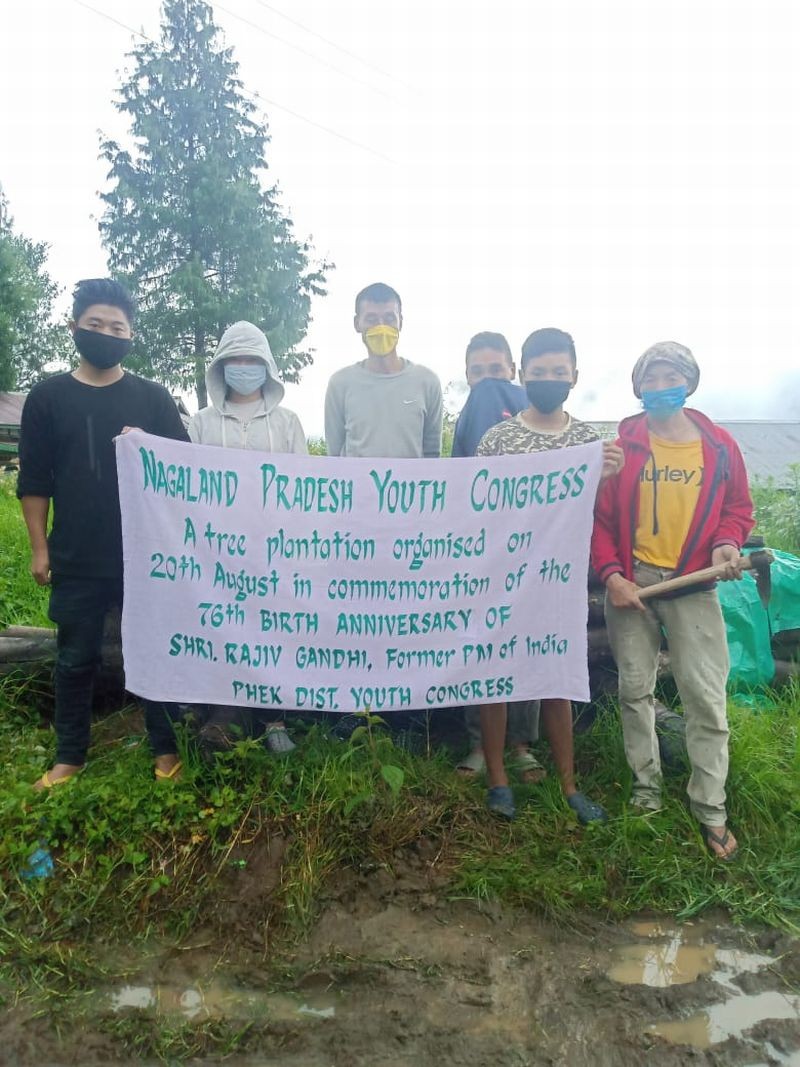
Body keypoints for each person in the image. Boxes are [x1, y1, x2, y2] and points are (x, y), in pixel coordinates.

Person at [17, 278, 190, 789]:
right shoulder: (47, 398)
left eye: (117, 327)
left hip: (147, 557)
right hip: (75, 554)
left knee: (155, 653)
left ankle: (166, 749)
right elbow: (34, 481)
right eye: (95, 324)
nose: (105, 333)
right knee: (75, 658)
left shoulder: (152, 399)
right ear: (74, 327)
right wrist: (39, 548)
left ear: (131, 336)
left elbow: (185, 469)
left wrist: (150, 446)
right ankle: (69, 755)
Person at [592, 342, 753, 860]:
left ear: (690, 381)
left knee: (706, 696)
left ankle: (711, 808)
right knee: (635, 691)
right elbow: (598, 518)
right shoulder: (624, 445)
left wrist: (727, 543)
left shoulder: (719, 446)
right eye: (651, 378)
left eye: (671, 376)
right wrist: (613, 575)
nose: (661, 385)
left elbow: (737, 509)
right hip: (634, 584)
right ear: (638, 387)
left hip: (693, 583)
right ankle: (646, 794)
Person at [475, 327, 623, 823]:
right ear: (522, 374)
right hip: (503, 573)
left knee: (556, 675)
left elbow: (600, 513)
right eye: (539, 373)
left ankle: (569, 784)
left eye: (558, 373)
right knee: (495, 674)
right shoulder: (498, 439)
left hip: (562, 579)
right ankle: (498, 778)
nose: (549, 380)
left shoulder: (588, 441)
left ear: (574, 377)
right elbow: (479, 505)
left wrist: (606, 476)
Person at [188, 320, 307, 754]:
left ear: (267, 366)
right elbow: (186, 483)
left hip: (275, 551)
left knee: (273, 630)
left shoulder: (288, 423)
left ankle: (275, 719)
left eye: (252, 359)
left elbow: (304, 488)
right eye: (235, 359)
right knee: (225, 628)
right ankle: (222, 714)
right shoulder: (200, 424)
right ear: (221, 366)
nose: (243, 367)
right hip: (219, 553)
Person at [451, 332, 543, 782]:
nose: (488, 381)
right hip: (479, 554)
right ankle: (480, 743)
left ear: (513, 371)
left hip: (532, 552)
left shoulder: (541, 419)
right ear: (466, 376)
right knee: (480, 645)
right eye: (478, 372)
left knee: (526, 644)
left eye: (496, 370)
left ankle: (522, 744)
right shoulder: (466, 421)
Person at [324, 282, 443, 458]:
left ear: (400, 322)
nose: (381, 327)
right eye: (371, 320)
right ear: (357, 324)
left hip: (409, 485)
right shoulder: (340, 384)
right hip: (358, 486)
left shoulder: (427, 382)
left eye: (389, 319)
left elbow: (432, 456)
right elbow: (334, 457)